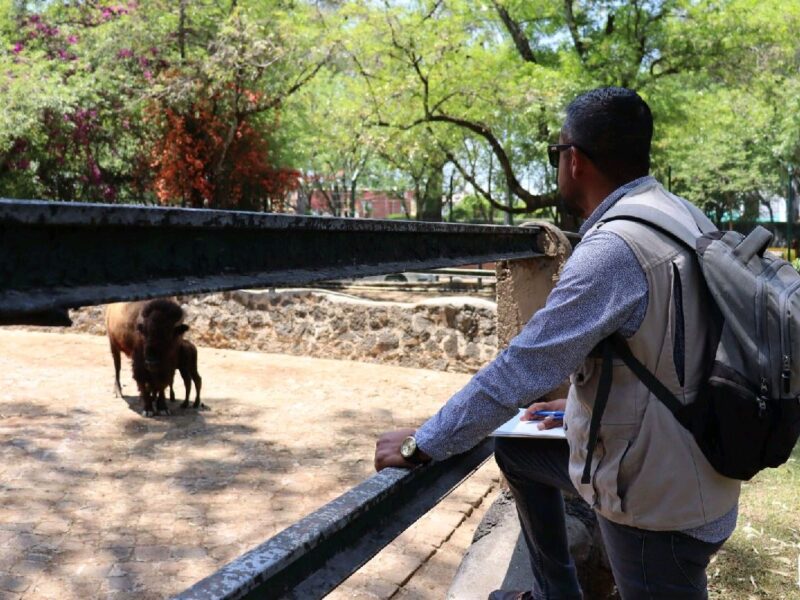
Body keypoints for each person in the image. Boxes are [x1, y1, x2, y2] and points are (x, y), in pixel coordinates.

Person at [373, 87, 740, 600]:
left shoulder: (613, 249)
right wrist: (573, 402)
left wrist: (422, 444)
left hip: (660, 504)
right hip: (703, 464)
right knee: (517, 451)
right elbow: (668, 344)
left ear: (573, 161)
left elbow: (521, 367)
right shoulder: (682, 215)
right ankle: (559, 591)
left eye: (557, 153)